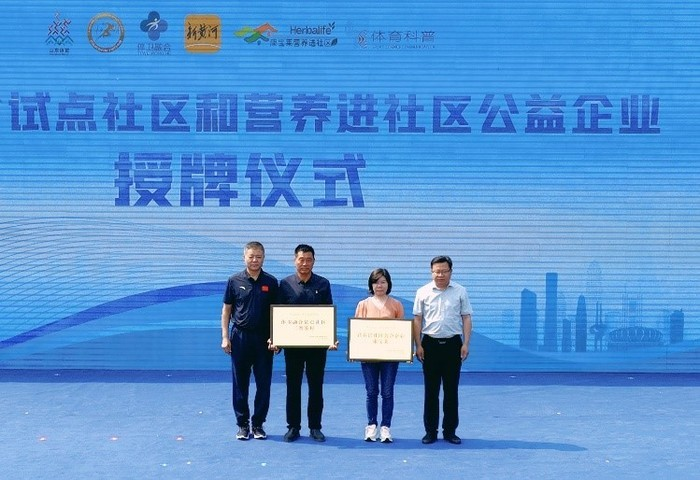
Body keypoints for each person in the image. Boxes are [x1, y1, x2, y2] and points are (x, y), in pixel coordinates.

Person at [276, 244, 336, 443]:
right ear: (295, 260)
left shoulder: (323, 284)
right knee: (293, 387)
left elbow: (328, 314)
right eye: (301, 259)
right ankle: (293, 427)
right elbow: (278, 314)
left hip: (316, 347)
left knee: (316, 387)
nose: (305, 263)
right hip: (292, 347)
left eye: (308, 260)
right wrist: (276, 339)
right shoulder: (285, 284)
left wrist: (330, 338)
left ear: (314, 261)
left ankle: (315, 427)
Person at [221, 241, 279, 441]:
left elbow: (277, 313)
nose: (255, 260)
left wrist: (276, 337)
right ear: (244, 257)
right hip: (240, 337)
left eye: (259, 257)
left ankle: (258, 424)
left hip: (264, 340)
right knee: (240, 383)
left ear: (264, 258)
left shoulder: (271, 282)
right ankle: (243, 425)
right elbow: (226, 310)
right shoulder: (234, 280)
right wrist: (225, 337)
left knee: (263, 384)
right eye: (251, 256)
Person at [412, 255, 472, 445]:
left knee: (451, 391)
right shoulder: (422, 292)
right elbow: (417, 319)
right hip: (430, 345)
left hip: (453, 345)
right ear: (431, 272)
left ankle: (450, 431)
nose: (440, 275)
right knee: (431, 391)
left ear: (451, 272)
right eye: (437, 271)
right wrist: (418, 345)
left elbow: (466, 318)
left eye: (444, 271)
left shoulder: (460, 291)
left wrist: (466, 343)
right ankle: (430, 431)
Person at [354, 268, 405, 443]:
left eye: (383, 282)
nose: (379, 285)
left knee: (387, 392)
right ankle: (371, 425)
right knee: (371, 391)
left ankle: (385, 427)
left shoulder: (396, 305)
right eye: (376, 282)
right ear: (371, 285)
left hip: (390, 358)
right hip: (368, 357)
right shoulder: (363, 305)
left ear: (388, 284)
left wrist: (405, 349)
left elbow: (401, 332)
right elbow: (358, 331)